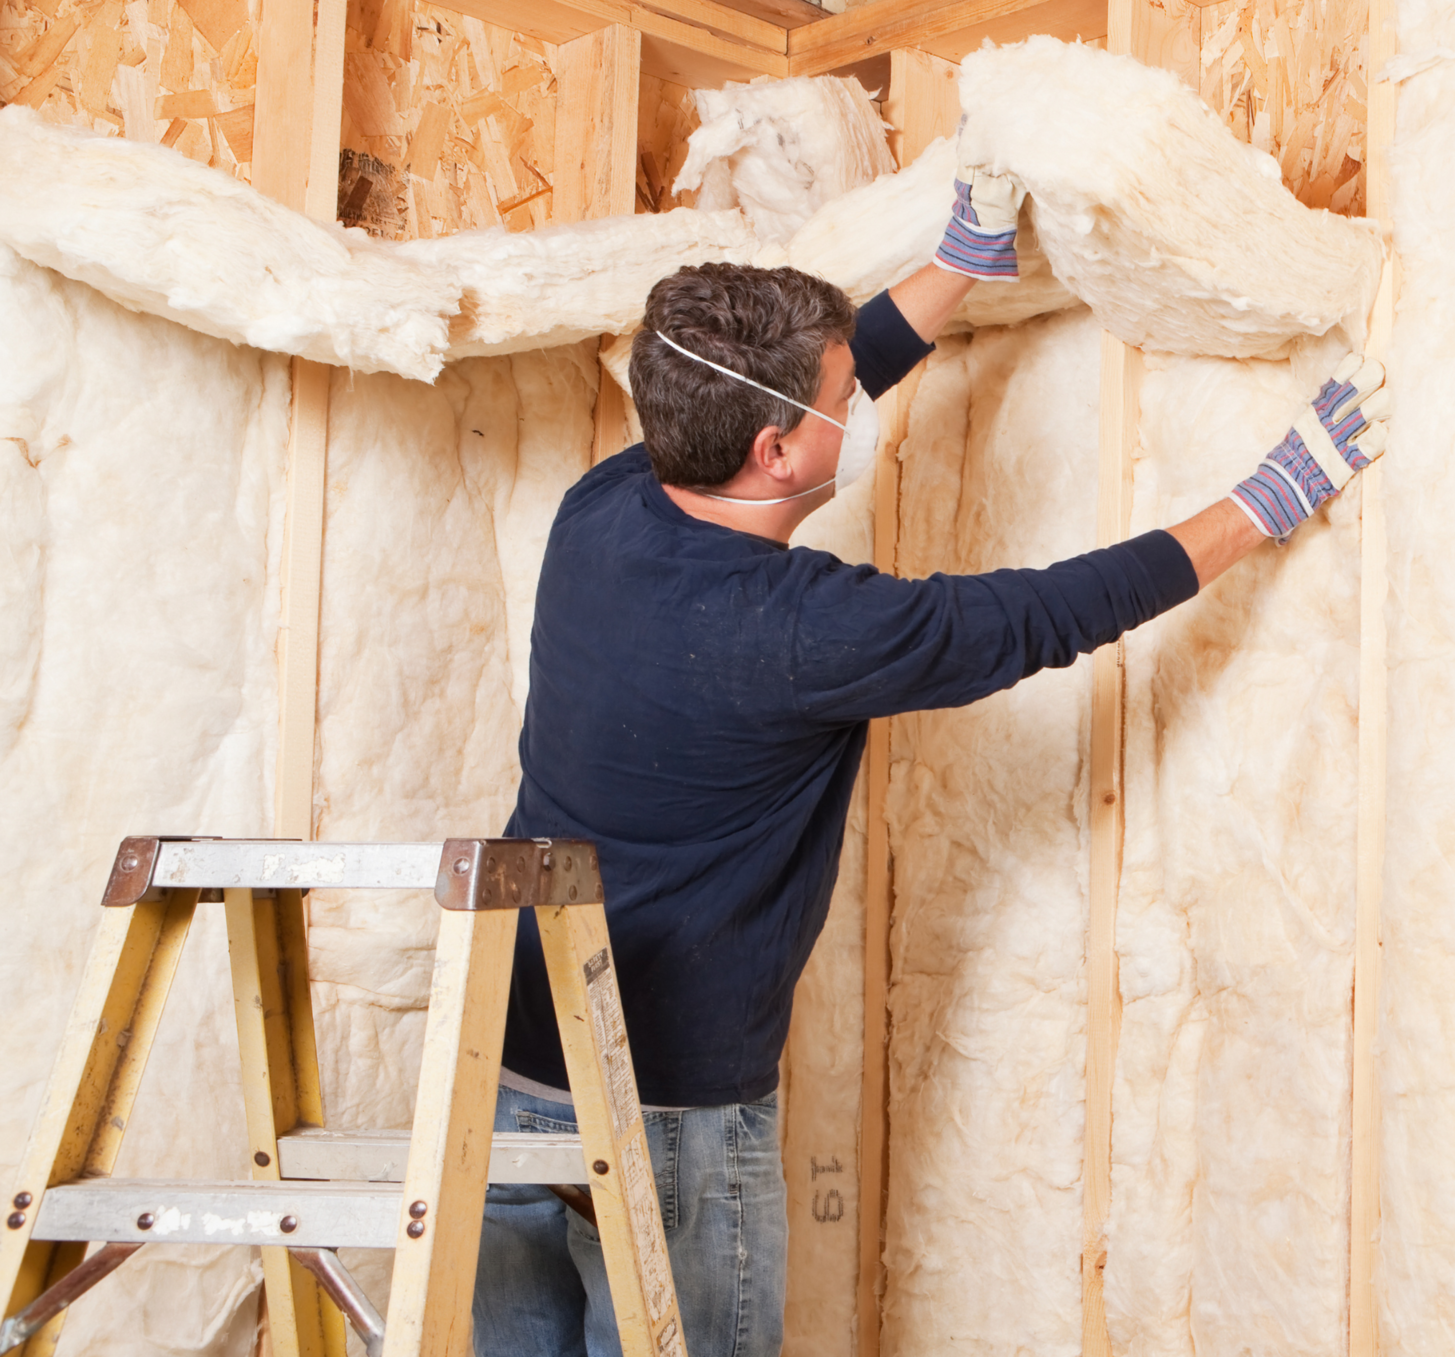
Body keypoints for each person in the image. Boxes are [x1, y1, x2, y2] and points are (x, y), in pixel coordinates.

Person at [469, 149, 1390, 1356]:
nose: (857, 400)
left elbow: (785, 406)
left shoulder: (605, 506)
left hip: (505, 1060)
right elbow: (1045, 613)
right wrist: (1261, 502)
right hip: (669, 1115)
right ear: (778, 455)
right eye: (842, 395)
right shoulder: (806, 629)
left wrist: (957, 268)